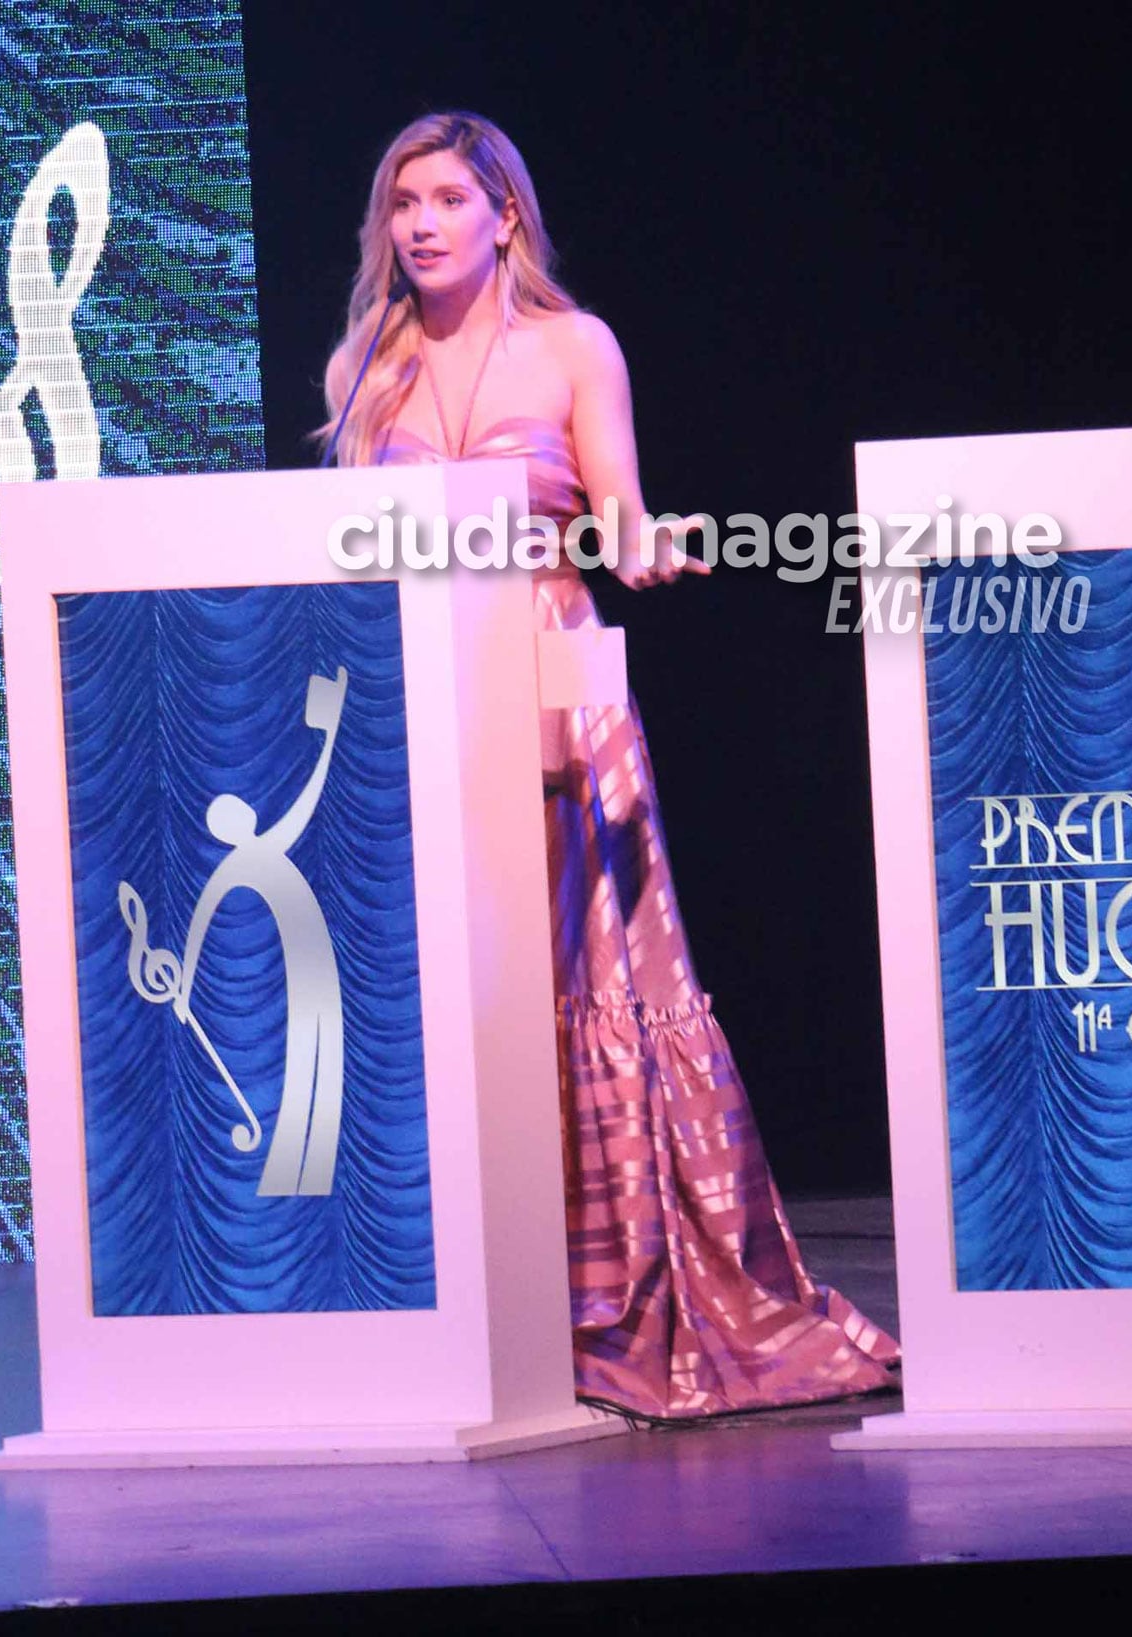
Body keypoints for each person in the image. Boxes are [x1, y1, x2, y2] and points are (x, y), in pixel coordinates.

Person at [320, 111, 898, 1420]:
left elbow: (620, 508)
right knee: (453, 1000)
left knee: (586, 974)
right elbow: (343, 552)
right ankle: (464, 1300)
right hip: (420, 711)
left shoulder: (576, 345)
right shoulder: (369, 367)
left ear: (504, 216)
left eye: (449, 198)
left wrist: (648, 545)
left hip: (553, 694)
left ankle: (617, 1296)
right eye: (402, 200)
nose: (420, 222)